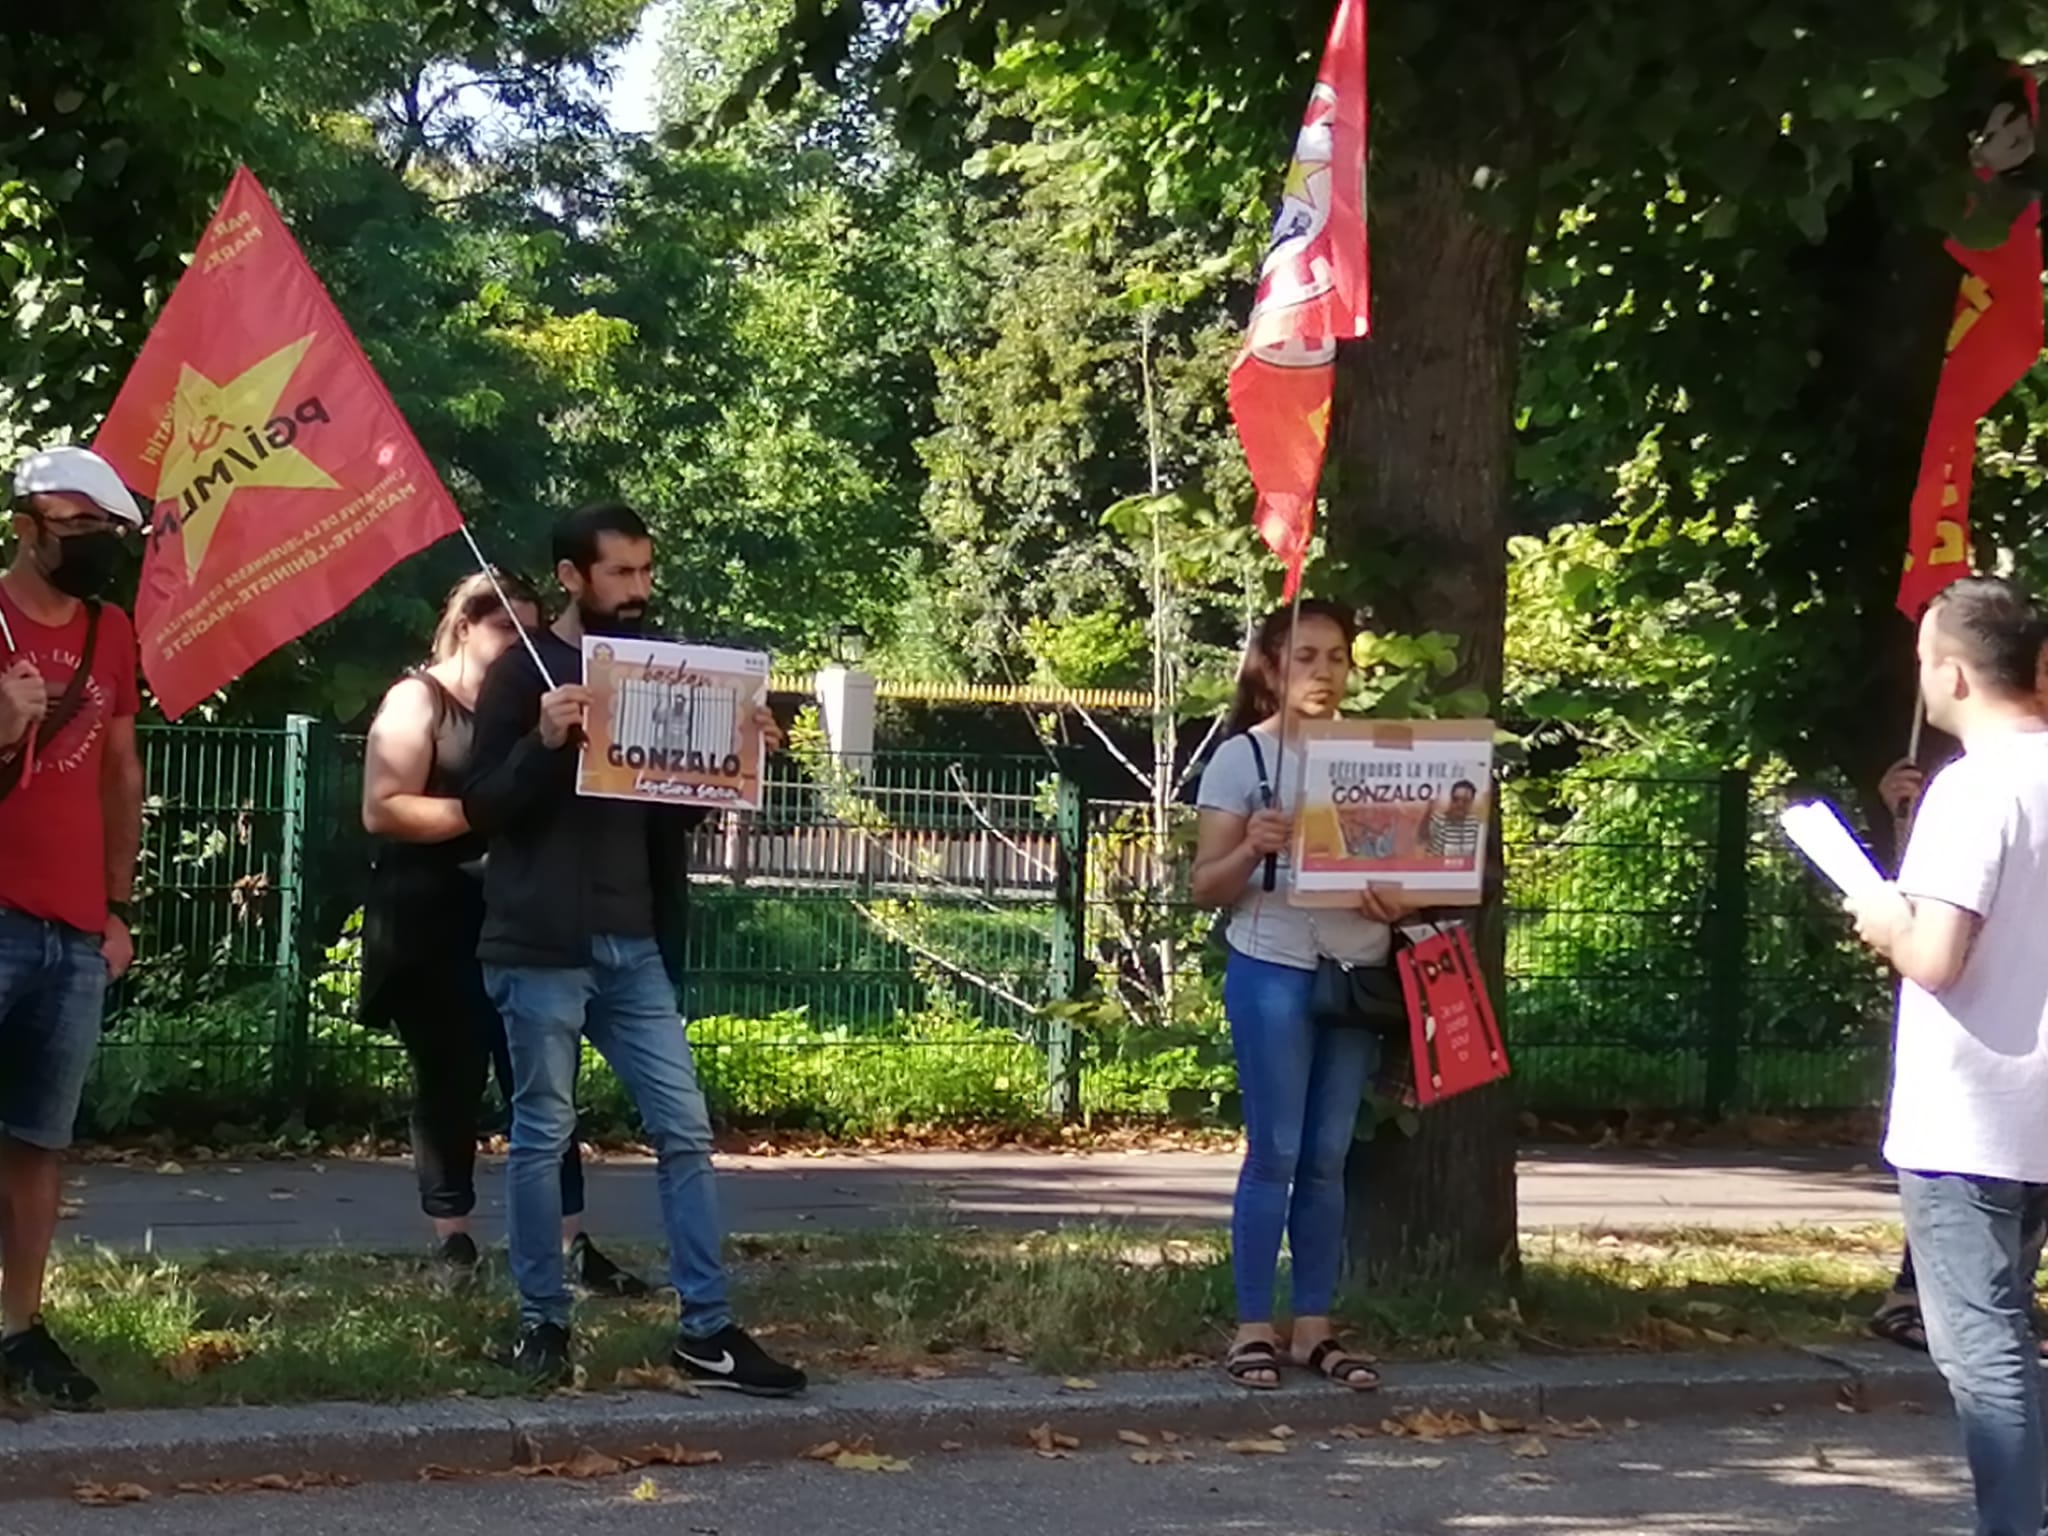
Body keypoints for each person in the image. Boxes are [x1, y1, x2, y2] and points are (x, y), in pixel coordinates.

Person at [463, 502, 804, 1395]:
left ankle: (707, 1331)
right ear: (572, 578)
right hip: (540, 944)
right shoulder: (519, 673)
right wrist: (543, 741)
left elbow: (676, 800)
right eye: (620, 574)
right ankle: (542, 1323)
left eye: (647, 572)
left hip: (634, 941)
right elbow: (482, 806)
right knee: (542, 1133)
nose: (639, 591)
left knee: (685, 1129)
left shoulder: (666, 669)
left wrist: (749, 750)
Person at [361, 570, 649, 1296]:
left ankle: (571, 1244)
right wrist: (484, 812)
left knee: (543, 1080)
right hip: (431, 920)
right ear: (465, 626)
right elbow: (383, 808)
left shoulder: (528, 705)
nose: (522, 650)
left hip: (518, 915)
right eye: (506, 632)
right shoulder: (417, 699)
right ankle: (452, 1242)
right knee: (449, 1080)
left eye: (532, 632)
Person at [1847, 576, 2048, 1536]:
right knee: (2006, 1336)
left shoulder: (1973, 789)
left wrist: (1884, 916)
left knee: (1984, 1347)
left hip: (1969, 1113)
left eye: (1926, 658)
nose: (1921, 675)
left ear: (1958, 675)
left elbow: (1934, 955)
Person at [1190, 599, 1416, 1393]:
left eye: (1337, 658)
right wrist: (1251, 849)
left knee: (1327, 1156)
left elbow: (1419, 868)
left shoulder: (1383, 756)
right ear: (1271, 668)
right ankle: (1254, 1327)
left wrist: (1404, 900)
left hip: (1354, 972)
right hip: (1273, 966)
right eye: (1306, 657)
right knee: (1277, 1149)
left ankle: (1314, 1330)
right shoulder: (1242, 762)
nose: (1323, 673)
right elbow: (1204, 888)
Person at [0, 447, 145, 1410]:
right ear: (26, 527)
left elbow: (119, 769)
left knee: (38, 1142)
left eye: (110, 534)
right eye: (78, 529)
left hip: (76, 928)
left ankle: (19, 1328)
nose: (95, 547)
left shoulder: (112, 632)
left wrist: (119, 906)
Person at [1422, 781, 1483, 861]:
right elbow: (1432, 854)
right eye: (1456, 799)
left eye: (1465, 801)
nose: (1460, 804)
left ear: (1471, 802)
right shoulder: (1439, 821)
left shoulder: (1475, 823)